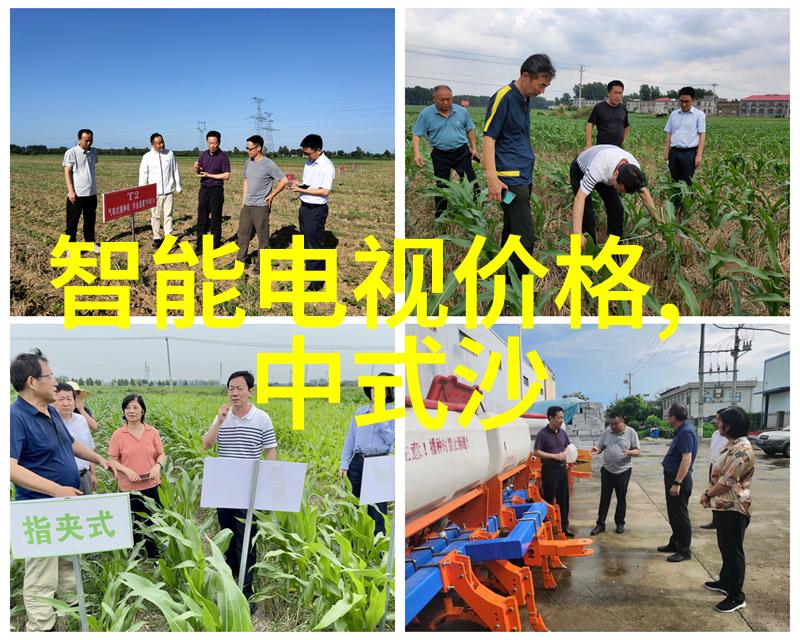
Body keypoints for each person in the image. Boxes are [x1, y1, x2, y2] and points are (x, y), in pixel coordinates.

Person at [10, 349, 109, 632]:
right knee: (42, 570)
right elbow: (10, 467)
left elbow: (70, 444)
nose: (56, 383)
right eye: (50, 377)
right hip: (39, 508)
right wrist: (56, 490)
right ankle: (41, 626)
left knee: (68, 558)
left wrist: (99, 459)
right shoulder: (15, 417)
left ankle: (69, 606)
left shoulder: (50, 410)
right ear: (32, 381)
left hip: (64, 501)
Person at [202, 371, 277, 610]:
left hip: (249, 488)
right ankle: (233, 577)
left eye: (239, 388)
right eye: (230, 389)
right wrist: (219, 420)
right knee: (228, 534)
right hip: (224, 487)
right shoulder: (222, 418)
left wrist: (266, 479)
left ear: (250, 391)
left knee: (247, 539)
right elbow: (207, 444)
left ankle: (246, 590)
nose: (234, 393)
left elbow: (270, 451)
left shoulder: (262, 418)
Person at [482, 54, 555, 277]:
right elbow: (488, 139)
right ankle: (519, 288)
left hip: (523, 176)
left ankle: (504, 280)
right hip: (508, 181)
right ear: (525, 75)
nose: (542, 91)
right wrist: (493, 179)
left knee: (513, 230)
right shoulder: (504, 97)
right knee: (525, 234)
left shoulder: (525, 99)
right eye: (541, 84)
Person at [700, 406, 755, 613]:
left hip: (735, 507)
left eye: (719, 420)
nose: (716, 423)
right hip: (724, 506)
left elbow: (727, 481)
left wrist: (707, 494)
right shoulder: (731, 445)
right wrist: (711, 494)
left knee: (733, 551)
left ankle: (737, 595)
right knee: (725, 547)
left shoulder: (742, 450)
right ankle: (725, 583)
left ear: (729, 425)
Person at [107, 394, 165, 558]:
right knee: (133, 523)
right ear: (123, 412)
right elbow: (112, 460)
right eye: (127, 408)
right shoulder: (118, 434)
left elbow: (161, 454)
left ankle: (154, 555)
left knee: (152, 520)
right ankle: (137, 557)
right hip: (129, 487)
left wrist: (157, 466)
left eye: (135, 407)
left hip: (151, 485)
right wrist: (126, 470)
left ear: (142, 410)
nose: (131, 411)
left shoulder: (151, 432)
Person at [569, 144, 660, 249]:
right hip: (581, 169)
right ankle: (588, 250)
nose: (618, 191)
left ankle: (614, 252)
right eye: (618, 189)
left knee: (617, 209)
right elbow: (580, 198)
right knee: (587, 214)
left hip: (608, 173)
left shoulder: (634, 171)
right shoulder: (598, 168)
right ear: (616, 174)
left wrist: (658, 222)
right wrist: (577, 234)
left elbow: (644, 192)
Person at [339, 373, 395, 536]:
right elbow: (350, 439)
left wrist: (379, 416)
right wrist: (344, 464)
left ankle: (377, 549)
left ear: (387, 393)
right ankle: (348, 543)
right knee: (350, 505)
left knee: (377, 509)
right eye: (372, 388)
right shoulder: (360, 412)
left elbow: (390, 438)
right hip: (357, 462)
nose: (375, 392)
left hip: (379, 463)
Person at [412, 85, 480, 217]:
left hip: (461, 152)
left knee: (471, 182)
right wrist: (417, 153)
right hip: (440, 155)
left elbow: (470, 129)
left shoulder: (461, 111)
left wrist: (474, 148)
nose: (446, 102)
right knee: (441, 186)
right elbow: (417, 134)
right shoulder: (426, 114)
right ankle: (440, 216)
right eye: (442, 100)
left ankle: (477, 212)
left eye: (449, 99)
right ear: (434, 99)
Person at [290, 134, 336, 291]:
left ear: (319, 150)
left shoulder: (327, 166)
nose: (306, 156)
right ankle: (310, 268)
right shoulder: (308, 163)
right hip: (305, 207)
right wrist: (299, 184)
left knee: (314, 243)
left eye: (308, 153)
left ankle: (317, 281)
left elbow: (325, 191)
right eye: (304, 153)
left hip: (316, 210)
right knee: (306, 240)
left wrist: (303, 189)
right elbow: (308, 184)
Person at [237, 135, 288, 273]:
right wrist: (243, 201)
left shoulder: (268, 164)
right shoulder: (248, 162)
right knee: (243, 235)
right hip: (247, 205)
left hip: (261, 206)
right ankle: (240, 261)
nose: (247, 151)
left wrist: (272, 196)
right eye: (246, 148)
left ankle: (261, 264)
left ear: (258, 148)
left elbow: (283, 180)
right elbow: (246, 180)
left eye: (249, 148)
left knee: (263, 237)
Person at [657, 402, 698, 562]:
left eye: (668, 415)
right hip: (673, 478)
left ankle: (684, 550)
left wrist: (677, 483)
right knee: (673, 514)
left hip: (679, 480)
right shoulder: (681, 431)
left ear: (673, 417)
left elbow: (686, 459)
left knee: (680, 515)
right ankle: (675, 543)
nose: (667, 418)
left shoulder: (686, 432)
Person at [590, 412, 640, 535]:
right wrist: (598, 450)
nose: (612, 426)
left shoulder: (631, 432)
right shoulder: (607, 432)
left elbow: (638, 451)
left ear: (623, 422)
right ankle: (600, 524)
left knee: (621, 498)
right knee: (604, 498)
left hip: (623, 470)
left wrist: (629, 452)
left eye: (615, 424)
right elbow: (601, 447)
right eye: (611, 424)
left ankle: (620, 523)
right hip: (607, 470)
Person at [533, 405, 575, 537]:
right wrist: (554, 456)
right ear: (550, 418)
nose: (561, 420)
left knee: (564, 499)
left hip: (562, 470)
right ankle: (549, 528)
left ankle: (564, 526)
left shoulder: (562, 432)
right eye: (559, 418)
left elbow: (568, 446)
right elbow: (536, 451)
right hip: (550, 470)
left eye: (562, 417)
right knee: (549, 499)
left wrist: (565, 453)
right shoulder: (543, 434)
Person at [139, 132, 182, 249]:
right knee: (155, 216)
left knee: (168, 215)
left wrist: (178, 185)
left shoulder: (170, 154)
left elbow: (175, 170)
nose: (162, 145)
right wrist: (143, 191)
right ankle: (157, 238)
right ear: (153, 144)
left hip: (168, 191)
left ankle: (168, 236)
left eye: (162, 142)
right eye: (159, 143)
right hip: (154, 192)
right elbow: (143, 175)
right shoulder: (147, 157)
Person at [54, 382, 96, 496]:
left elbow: (89, 448)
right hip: (60, 480)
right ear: (53, 400)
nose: (66, 403)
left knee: (87, 511)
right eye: (61, 399)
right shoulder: (48, 422)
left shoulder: (82, 420)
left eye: (69, 399)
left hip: (84, 476)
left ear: (75, 401)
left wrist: (92, 474)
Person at [193, 130, 231, 253]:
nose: (212, 146)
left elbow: (226, 175)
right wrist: (197, 169)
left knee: (215, 219)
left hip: (216, 190)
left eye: (214, 143)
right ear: (207, 142)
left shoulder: (223, 156)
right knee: (202, 219)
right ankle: (200, 246)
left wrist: (209, 175)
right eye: (210, 143)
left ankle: (215, 246)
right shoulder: (203, 155)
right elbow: (200, 173)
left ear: (219, 142)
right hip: (204, 190)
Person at [63, 128, 99, 251]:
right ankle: (69, 248)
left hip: (91, 193)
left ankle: (90, 243)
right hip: (76, 194)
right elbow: (67, 172)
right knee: (72, 223)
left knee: (90, 221)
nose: (89, 143)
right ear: (79, 139)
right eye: (86, 141)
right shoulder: (71, 152)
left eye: (91, 140)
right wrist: (71, 191)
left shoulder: (94, 152)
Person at [664, 86, 706, 191]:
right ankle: (676, 205)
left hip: (689, 153)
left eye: (687, 101)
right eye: (681, 101)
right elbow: (669, 134)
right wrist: (667, 152)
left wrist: (699, 155)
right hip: (674, 152)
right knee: (675, 180)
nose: (683, 104)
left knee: (688, 182)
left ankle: (686, 206)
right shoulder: (673, 115)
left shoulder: (699, 115)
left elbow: (702, 135)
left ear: (693, 100)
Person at [700, 409, 728, 530]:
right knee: (713, 491)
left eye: (718, 419)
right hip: (714, 465)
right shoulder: (716, 434)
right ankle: (715, 520)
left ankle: (722, 520)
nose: (716, 421)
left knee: (721, 492)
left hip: (724, 467)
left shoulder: (730, 437)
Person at [586, 80, 630, 148]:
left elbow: (626, 126)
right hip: (601, 148)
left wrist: (622, 141)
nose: (618, 96)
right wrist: (589, 144)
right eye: (615, 93)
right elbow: (590, 125)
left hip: (617, 148)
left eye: (620, 93)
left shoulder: (623, 108)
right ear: (609, 93)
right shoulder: (599, 107)